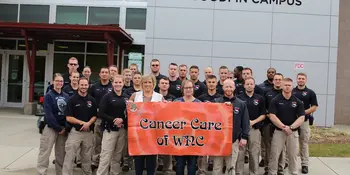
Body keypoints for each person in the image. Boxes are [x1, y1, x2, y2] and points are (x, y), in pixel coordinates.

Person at [129, 74, 165, 175]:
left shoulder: (159, 97)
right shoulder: (135, 96)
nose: (147, 84)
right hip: (138, 133)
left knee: (151, 159)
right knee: (139, 159)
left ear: (153, 84)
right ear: (142, 84)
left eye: (150, 82)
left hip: (153, 133)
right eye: (145, 82)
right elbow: (130, 110)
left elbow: (164, 114)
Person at [268, 78, 306, 175]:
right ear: (282, 86)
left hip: (292, 133)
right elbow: (272, 115)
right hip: (279, 131)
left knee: (293, 155)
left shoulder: (298, 101)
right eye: (285, 85)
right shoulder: (275, 100)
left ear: (292, 86)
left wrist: (291, 127)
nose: (287, 87)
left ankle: (293, 172)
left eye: (289, 85)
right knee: (274, 155)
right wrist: (283, 127)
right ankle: (272, 173)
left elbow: (301, 117)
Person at [212, 79, 249, 175]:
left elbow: (245, 122)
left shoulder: (241, 104)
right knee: (217, 166)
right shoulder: (216, 102)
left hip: (233, 139)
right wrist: (222, 107)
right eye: (226, 86)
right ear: (223, 87)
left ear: (234, 88)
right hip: (219, 140)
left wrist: (244, 137)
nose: (228, 89)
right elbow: (211, 119)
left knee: (231, 166)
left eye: (230, 86)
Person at [62, 77, 97, 175]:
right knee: (70, 155)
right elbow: (68, 117)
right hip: (75, 133)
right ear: (78, 85)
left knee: (87, 157)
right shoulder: (72, 100)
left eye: (85, 85)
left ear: (88, 86)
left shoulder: (92, 100)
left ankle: (87, 173)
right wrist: (82, 123)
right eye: (82, 85)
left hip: (88, 133)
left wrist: (88, 123)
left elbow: (95, 115)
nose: (83, 87)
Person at [37, 73, 70, 175]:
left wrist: (65, 127)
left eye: (61, 81)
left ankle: (59, 172)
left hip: (63, 129)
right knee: (45, 152)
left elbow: (68, 113)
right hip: (50, 128)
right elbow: (49, 114)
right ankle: (41, 172)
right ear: (53, 82)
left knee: (61, 154)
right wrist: (58, 128)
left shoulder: (66, 96)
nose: (59, 83)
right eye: (57, 81)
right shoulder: (48, 95)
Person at [96, 75, 128, 175]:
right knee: (106, 155)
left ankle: (115, 173)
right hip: (110, 130)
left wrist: (122, 120)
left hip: (122, 130)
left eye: (120, 82)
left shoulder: (126, 97)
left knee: (117, 156)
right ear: (112, 83)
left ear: (123, 83)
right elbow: (101, 113)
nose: (118, 84)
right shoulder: (107, 96)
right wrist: (114, 120)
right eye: (116, 82)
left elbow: (130, 113)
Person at [236, 77, 266, 175]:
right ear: (244, 85)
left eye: (251, 84)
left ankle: (254, 172)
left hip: (254, 129)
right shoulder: (239, 98)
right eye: (247, 84)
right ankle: (238, 172)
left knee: (254, 153)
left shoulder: (260, 98)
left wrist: (253, 122)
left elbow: (263, 115)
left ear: (254, 85)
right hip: (241, 130)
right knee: (240, 153)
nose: (249, 86)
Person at [173, 80, 201, 175]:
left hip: (194, 140)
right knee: (179, 165)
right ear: (182, 89)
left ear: (193, 89)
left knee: (192, 165)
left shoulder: (199, 104)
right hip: (179, 139)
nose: (188, 90)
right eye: (186, 88)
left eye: (190, 87)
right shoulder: (176, 102)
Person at [292, 73, 318, 174]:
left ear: (305, 80)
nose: (301, 80)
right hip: (292, 121)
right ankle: (286, 162)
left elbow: (314, 106)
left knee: (303, 143)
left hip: (304, 121)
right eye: (299, 78)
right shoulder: (292, 91)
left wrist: (303, 113)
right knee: (289, 143)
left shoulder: (310, 92)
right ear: (296, 80)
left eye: (303, 79)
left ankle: (304, 164)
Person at [89, 67, 113, 170]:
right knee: (97, 142)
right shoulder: (94, 87)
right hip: (98, 119)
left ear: (109, 74)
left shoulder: (113, 86)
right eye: (102, 72)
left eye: (106, 72)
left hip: (109, 119)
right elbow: (89, 101)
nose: (104, 74)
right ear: (99, 74)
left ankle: (107, 162)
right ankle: (95, 161)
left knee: (108, 143)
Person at [197, 75, 222, 173]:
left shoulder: (221, 98)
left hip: (216, 128)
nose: (211, 84)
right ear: (206, 83)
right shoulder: (201, 98)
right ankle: (202, 171)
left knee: (215, 150)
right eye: (209, 82)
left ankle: (215, 171)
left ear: (216, 83)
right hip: (203, 128)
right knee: (202, 151)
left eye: (213, 82)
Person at [263, 73, 286, 175]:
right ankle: (268, 168)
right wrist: (271, 117)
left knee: (281, 147)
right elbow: (264, 108)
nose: (277, 81)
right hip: (268, 123)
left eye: (280, 79)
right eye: (276, 79)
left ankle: (280, 168)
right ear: (273, 81)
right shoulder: (267, 93)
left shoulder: (286, 93)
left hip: (282, 125)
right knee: (268, 146)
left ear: (282, 81)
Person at [157, 77, 176, 174]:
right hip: (156, 126)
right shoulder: (155, 96)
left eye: (166, 83)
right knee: (155, 147)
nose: (164, 85)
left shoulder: (173, 98)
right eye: (162, 83)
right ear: (158, 85)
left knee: (168, 148)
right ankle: (155, 167)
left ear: (169, 85)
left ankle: (168, 169)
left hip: (169, 127)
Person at [259, 67, 277, 168]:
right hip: (266, 121)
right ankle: (266, 163)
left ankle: (280, 165)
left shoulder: (282, 90)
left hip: (280, 122)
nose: (271, 74)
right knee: (266, 144)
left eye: (272, 72)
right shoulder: (263, 88)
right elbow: (263, 105)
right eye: (269, 72)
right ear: (267, 74)